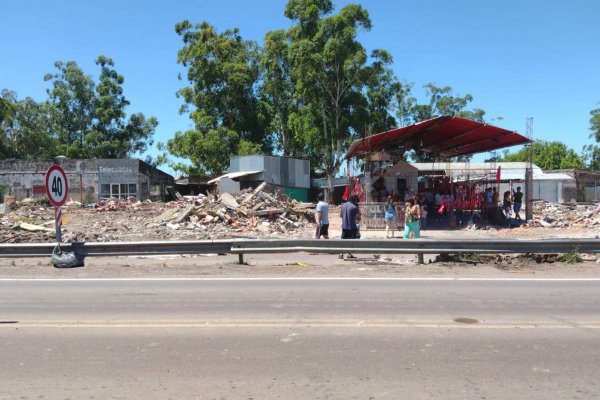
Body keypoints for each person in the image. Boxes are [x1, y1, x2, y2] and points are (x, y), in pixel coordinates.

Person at [339, 195, 361, 259]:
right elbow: (358, 218)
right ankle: (349, 254)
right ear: (355, 200)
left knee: (343, 241)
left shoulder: (343, 205)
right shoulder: (354, 207)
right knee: (351, 241)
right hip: (352, 226)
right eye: (357, 201)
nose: (357, 203)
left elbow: (341, 216)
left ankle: (341, 254)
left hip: (344, 226)